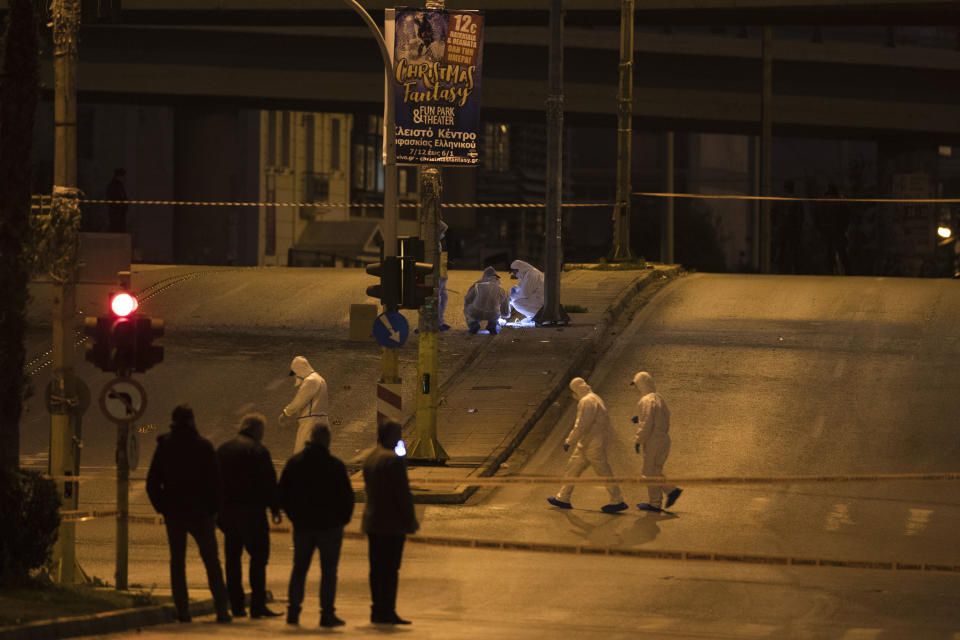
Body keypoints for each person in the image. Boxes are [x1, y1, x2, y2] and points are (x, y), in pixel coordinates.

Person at [146, 404, 231, 624]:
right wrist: (215, 511)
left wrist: (163, 507)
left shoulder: (165, 445)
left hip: (175, 513)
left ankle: (183, 611)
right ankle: (222, 609)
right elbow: (217, 483)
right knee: (212, 562)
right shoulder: (203, 446)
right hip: (202, 513)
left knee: (177, 562)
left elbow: (153, 483)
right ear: (192, 421)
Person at [279, 424, 354, 628]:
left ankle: (293, 612)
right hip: (330, 527)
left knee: (299, 569)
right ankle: (327, 614)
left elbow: (283, 493)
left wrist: (294, 516)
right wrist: (342, 520)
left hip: (303, 526)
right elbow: (347, 497)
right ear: (327, 440)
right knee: (329, 571)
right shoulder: (334, 465)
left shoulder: (295, 463)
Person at [215, 414, 282, 619]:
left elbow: (213, 481)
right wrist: (275, 509)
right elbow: (268, 483)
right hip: (253, 512)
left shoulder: (224, 449)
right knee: (259, 558)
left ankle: (236, 605)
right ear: (256, 430)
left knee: (232, 558)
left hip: (227, 513)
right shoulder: (258, 451)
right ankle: (257, 605)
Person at [362, 421, 419, 625]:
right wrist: (410, 520)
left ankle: (376, 609)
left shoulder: (370, 458)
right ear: (391, 436)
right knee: (390, 570)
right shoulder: (393, 461)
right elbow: (402, 495)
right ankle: (388, 611)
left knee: (376, 569)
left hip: (373, 520)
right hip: (391, 523)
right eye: (398, 433)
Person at [547, 377, 627, 514]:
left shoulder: (586, 401)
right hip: (588, 442)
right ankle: (563, 497)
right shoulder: (594, 397)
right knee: (573, 468)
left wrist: (569, 441)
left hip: (592, 444)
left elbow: (582, 425)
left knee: (603, 471)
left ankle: (617, 500)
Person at [631, 371, 682, 512]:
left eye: (636, 385)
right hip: (663, 439)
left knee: (648, 473)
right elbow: (661, 416)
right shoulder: (659, 398)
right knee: (655, 470)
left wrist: (638, 439)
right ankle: (663, 497)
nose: (636, 388)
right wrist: (638, 418)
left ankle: (664, 496)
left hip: (653, 440)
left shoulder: (646, 400)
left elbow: (647, 422)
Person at [280, 355, 329, 455]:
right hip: (322, 421)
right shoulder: (320, 379)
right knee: (319, 455)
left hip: (310, 423)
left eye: (295, 373)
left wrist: (286, 413)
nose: (295, 376)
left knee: (302, 454)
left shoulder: (310, 381)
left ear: (299, 370)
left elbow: (299, 401)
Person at [463, 266, 510, 335]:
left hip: (476, 311)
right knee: (496, 312)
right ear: (496, 278)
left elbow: (468, 298)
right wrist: (505, 314)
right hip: (493, 314)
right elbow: (505, 305)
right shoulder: (501, 289)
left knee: (468, 311)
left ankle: (473, 323)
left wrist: (468, 307)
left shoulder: (477, 284)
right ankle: (492, 325)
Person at [105, 168, 128, 233]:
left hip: (118, 212)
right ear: (119, 176)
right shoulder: (115, 186)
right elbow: (112, 199)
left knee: (118, 228)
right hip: (116, 213)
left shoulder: (118, 185)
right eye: (123, 176)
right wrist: (119, 207)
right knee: (116, 229)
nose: (125, 178)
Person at [437, 219, 450, 331]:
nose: (444, 232)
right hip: (437, 274)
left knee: (443, 297)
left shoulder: (440, 241)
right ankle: (437, 322)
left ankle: (440, 321)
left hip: (442, 273)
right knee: (437, 298)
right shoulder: (435, 242)